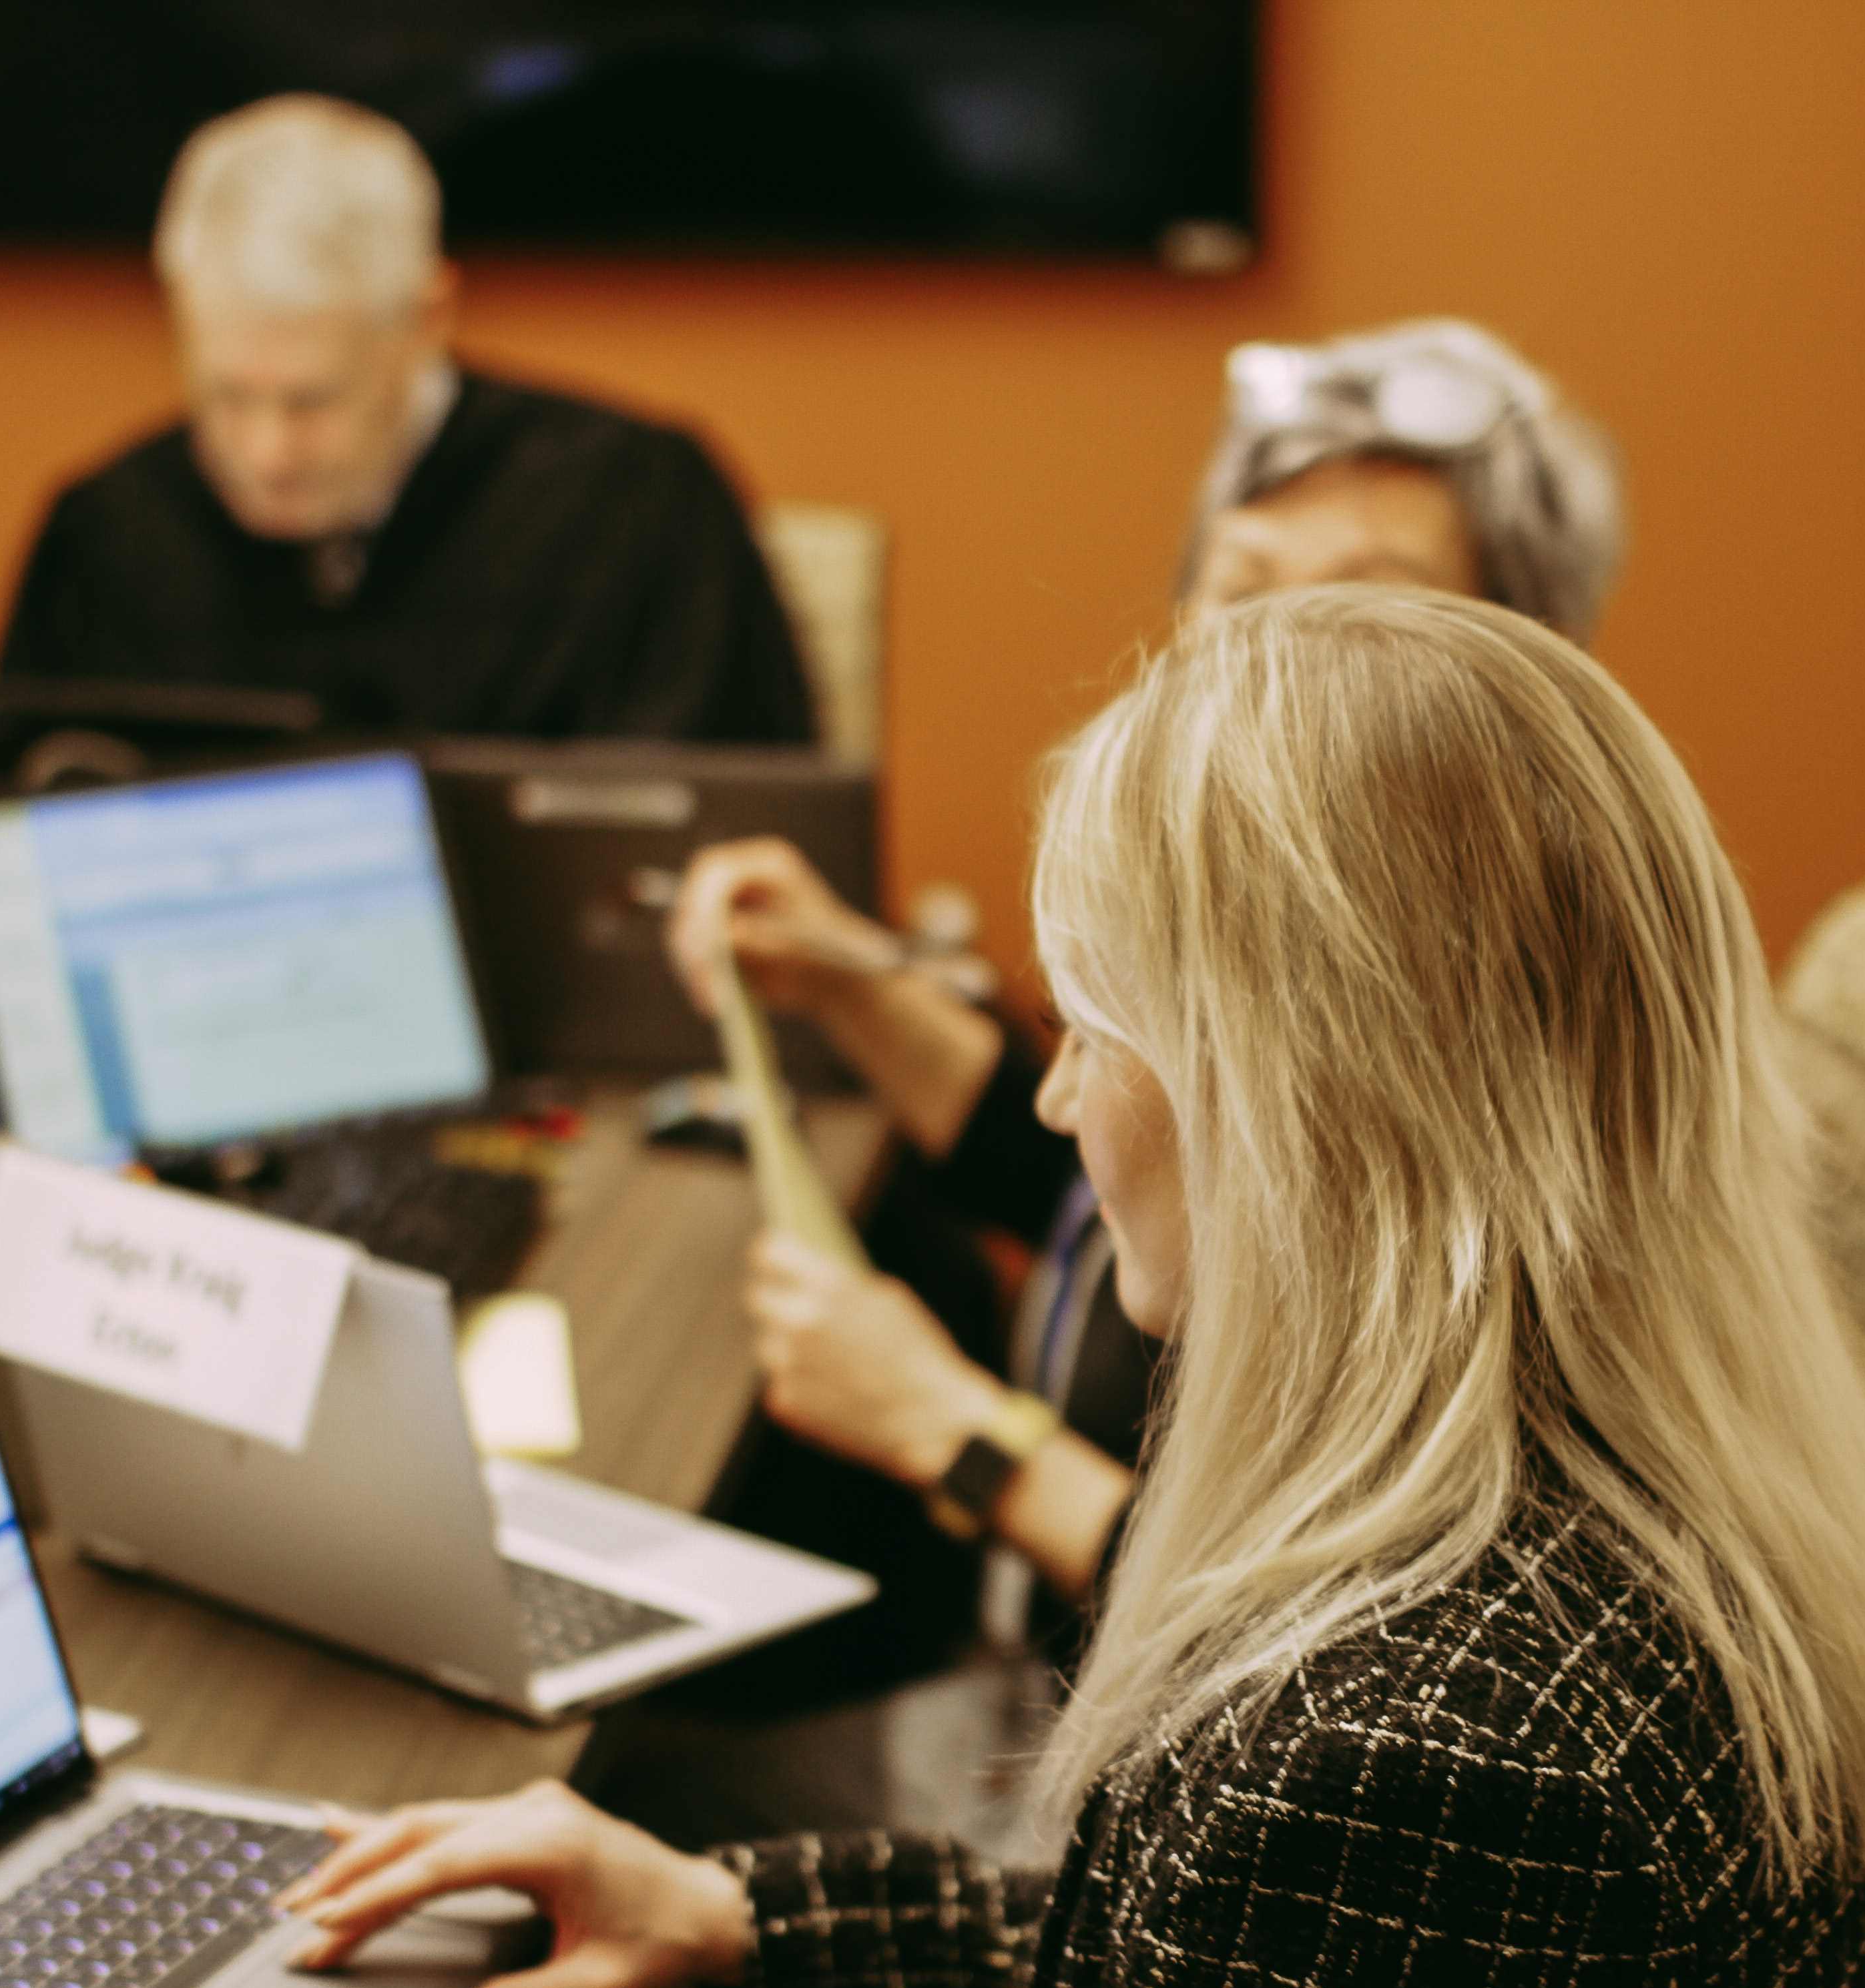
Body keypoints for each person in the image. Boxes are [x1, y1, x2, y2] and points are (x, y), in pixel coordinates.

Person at [280, 588, 1865, 1988]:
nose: (1052, 1096)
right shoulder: (1639, 1455)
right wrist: (732, 1921)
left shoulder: (1427, 1761)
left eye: (1092, 1026)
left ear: (1284, 1095)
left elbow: (1302, 1956)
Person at [678, 318, 1625, 1613]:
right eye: (1241, 583)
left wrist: (948, 1435)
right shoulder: (1269, 947)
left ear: (1527, 660)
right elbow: (1102, 1171)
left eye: (1360, 597)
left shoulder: (1483, 1070)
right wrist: (856, 988)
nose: (1267, 649)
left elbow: (1321, 1642)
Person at [0, 95, 816, 744]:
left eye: (313, 400)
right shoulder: (112, 533)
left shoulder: (632, 506)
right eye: (227, 396)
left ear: (429, 319)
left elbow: (749, 864)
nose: (267, 453)